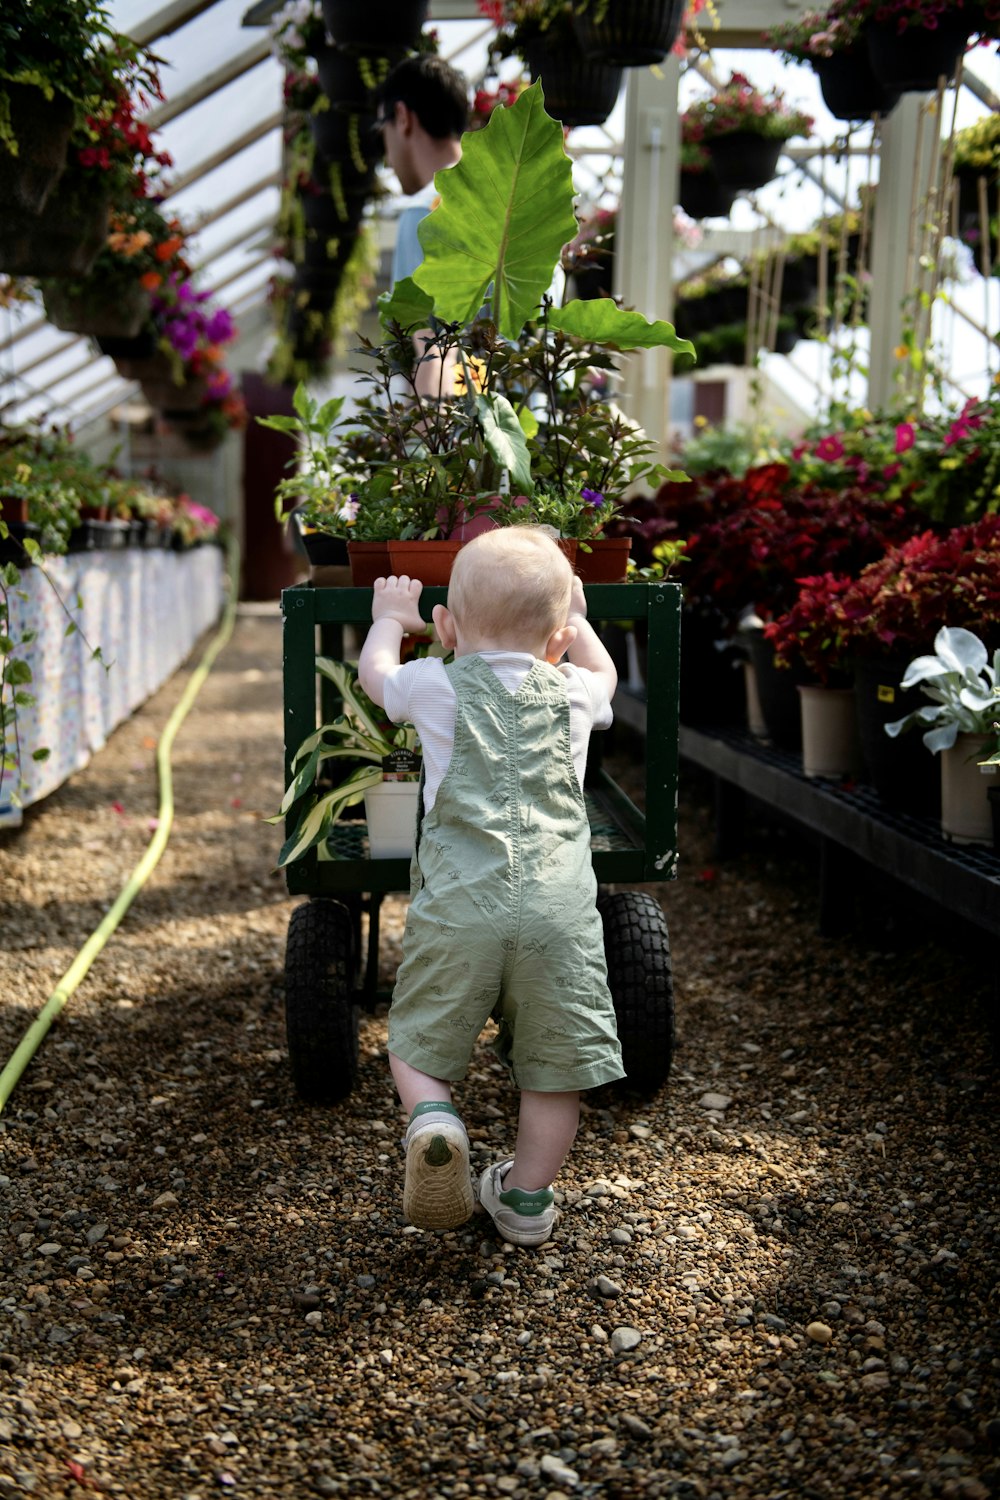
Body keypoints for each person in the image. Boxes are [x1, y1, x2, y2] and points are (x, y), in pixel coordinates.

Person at [358, 528, 625, 1247]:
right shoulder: (572, 690)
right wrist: (578, 619)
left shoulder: (434, 684)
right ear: (559, 637)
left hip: (459, 908)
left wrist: (391, 616)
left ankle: (437, 1121)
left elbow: (375, 676)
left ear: (446, 627)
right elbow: (608, 677)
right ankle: (526, 1202)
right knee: (552, 1070)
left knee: (415, 1044)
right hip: (559, 916)